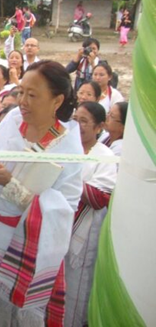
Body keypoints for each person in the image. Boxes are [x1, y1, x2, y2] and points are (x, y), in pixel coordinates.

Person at [0, 60, 83, 326]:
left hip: (17, 256)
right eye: (21, 92)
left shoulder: (69, 149)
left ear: (57, 100)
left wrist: (10, 183)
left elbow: (65, 210)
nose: (23, 102)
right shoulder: (14, 120)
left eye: (33, 95)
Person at [65, 101, 117, 327]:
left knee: (76, 288)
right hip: (58, 228)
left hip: (83, 235)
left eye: (84, 121)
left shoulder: (103, 156)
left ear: (99, 127)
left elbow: (99, 198)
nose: (78, 125)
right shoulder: (65, 148)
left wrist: (66, 176)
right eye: (75, 119)